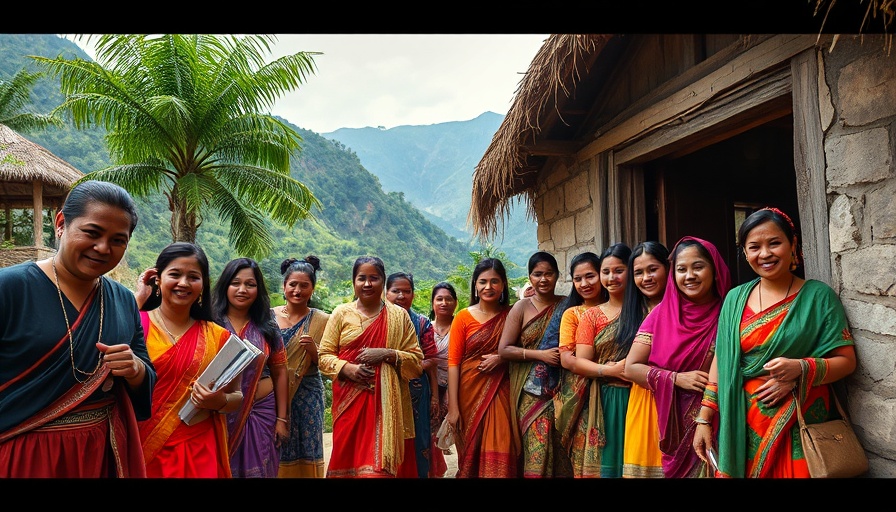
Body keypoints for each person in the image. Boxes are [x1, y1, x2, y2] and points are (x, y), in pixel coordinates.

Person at [0, 180, 155, 478]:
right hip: (24, 454)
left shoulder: (123, 300)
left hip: (99, 452)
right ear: (61, 223)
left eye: (118, 240)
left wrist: (135, 371)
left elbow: (144, 373)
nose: (102, 248)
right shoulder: (10, 288)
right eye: (92, 233)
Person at [692, 207, 857, 478]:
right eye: (754, 247)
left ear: (793, 244)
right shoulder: (734, 300)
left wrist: (801, 370)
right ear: (745, 253)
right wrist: (704, 418)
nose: (765, 254)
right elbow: (722, 360)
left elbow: (847, 361)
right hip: (743, 427)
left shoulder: (818, 297)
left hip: (801, 424)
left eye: (775, 243)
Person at [623, 236, 731, 478]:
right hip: (675, 423)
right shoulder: (661, 314)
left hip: (724, 414)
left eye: (698, 267)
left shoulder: (730, 312)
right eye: (681, 269)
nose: (689, 275)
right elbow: (631, 368)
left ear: (714, 270)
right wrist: (676, 378)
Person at [135, 242, 242, 478]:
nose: (183, 283)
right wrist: (137, 299)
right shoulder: (136, 324)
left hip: (198, 448)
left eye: (193, 277)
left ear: (203, 284)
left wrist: (218, 401)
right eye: (174, 274)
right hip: (142, 447)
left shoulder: (218, 336)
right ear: (158, 279)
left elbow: (237, 396)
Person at [318, 256, 423, 478]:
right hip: (349, 405)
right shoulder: (341, 313)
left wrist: (388, 354)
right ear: (354, 281)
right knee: (348, 465)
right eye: (361, 278)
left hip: (387, 408)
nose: (367, 284)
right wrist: (347, 368)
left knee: (377, 471)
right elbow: (324, 356)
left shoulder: (399, 316)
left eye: (374, 278)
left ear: (383, 281)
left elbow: (416, 363)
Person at [558, 243, 632, 477]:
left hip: (642, 393)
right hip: (600, 395)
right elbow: (575, 361)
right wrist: (609, 370)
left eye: (618, 271)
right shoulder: (586, 315)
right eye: (606, 272)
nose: (611, 277)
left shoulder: (647, 309)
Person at [212, 257, 288, 477]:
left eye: (250, 284)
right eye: (235, 283)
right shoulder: (210, 322)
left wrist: (282, 419)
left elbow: (280, 371)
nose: (242, 289)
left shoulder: (267, 326)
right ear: (225, 285)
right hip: (220, 413)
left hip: (262, 413)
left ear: (258, 289)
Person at [447, 257, 519, 477]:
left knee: (503, 442)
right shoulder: (462, 317)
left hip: (502, 392)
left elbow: (521, 351)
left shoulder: (513, 314)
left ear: (504, 284)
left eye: (495, 281)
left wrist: (501, 358)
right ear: (475, 286)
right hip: (468, 394)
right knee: (471, 452)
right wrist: (453, 407)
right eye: (483, 282)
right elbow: (453, 363)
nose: (489, 287)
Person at [497, 251, 568, 477]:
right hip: (529, 394)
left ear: (557, 276)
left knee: (561, 449)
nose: (543, 279)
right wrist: (541, 355)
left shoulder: (567, 306)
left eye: (549, 274)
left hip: (562, 391)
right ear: (530, 277)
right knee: (535, 447)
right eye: (538, 274)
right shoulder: (521, 308)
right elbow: (504, 349)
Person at [274, 256, 329, 478]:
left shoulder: (322, 320)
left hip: (308, 393)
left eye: (304, 285)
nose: (297, 290)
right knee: (277, 443)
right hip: (273, 393)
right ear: (284, 286)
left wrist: (315, 352)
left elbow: (330, 364)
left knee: (308, 445)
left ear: (312, 288)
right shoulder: (268, 317)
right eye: (293, 284)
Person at [619, 241, 670, 478]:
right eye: (638, 272)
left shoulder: (684, 310)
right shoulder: (631, 311)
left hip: (675, 396)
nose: (645, 278)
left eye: (652, 269)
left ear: (668, 268)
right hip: (640, 397)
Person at [552, 251, 605, 477]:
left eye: (590, 276)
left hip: (618, 390)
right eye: (577, 279)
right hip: (581, 395)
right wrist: (605, 369)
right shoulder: (572, 314)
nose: (584, 283)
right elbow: (566, 359)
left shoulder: (623, 308)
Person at [386, 271, 442, 478]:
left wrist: (434, 396)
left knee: (419, 439)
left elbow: (431, 359)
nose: (401, 296)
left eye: (406, 291)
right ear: (385, 293)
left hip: (416, 392)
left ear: (413, 295)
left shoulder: (421, 323)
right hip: (384, 388)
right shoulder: (377, 321)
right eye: (395, 291)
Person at [429, 281, 457, 460]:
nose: (444, 303)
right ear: (433, 302)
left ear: (455, 302)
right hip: (430, 381)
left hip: (456, 382)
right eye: (439, 299)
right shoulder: (425, 327)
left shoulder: (460, 327)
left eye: (448, 299)